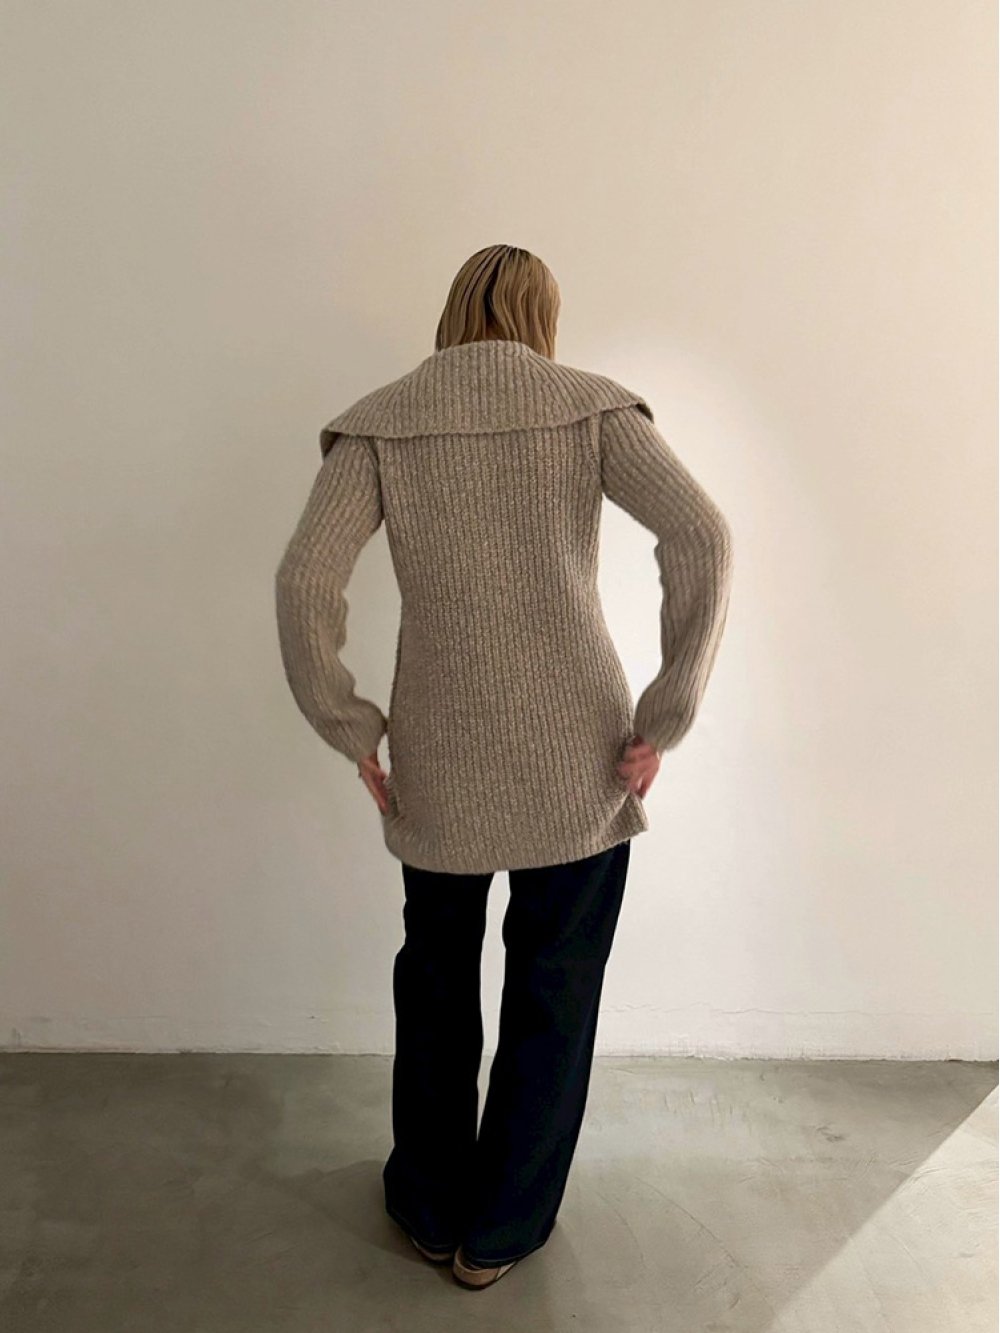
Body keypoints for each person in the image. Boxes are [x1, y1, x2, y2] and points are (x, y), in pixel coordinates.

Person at [274, 244, 734, 1289]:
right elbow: (703, 536)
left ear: (454, 310)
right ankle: (499, 1233)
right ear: (541, 315)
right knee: (554, 991)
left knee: (436, 982)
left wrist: (352, 727)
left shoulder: (385, 422)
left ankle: (430, 1207)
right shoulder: (590, 408)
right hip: (580, 756)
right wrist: (664, 717)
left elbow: (305, 578)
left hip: (438, 755)